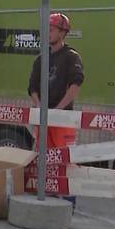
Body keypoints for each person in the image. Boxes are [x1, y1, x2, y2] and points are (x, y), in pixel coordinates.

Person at [28, 12, 85, 149]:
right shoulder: (41, 59)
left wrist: (58, 110)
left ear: (62, 33)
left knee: (63, 161)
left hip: (63, 119)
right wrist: (40, 107)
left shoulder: (71, 57)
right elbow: (32, 88)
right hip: (42, 120)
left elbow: (76, 84)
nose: (47, 33)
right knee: (41, 158)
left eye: (51, 30)